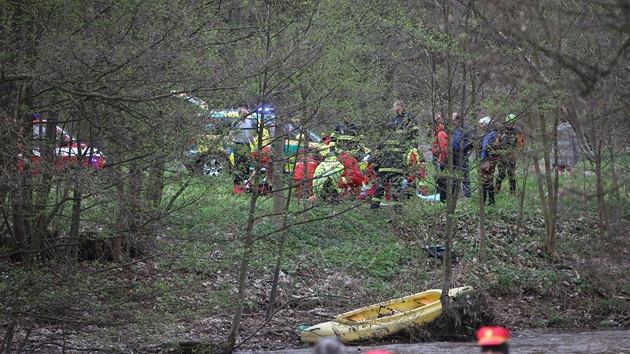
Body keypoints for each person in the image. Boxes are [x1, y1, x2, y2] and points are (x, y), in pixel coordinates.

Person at [495, 114, 524, 196]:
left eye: (512, 123)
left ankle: (512, 192)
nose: (511, 125)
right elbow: (496, 142)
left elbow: (521, 142)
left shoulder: (516, 131)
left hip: (511, 156)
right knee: (501, 173)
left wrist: (521, 150)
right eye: (509, 123)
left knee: (511, 174)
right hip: (501, 155)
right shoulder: (501, 130)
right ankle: (496, 190)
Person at [231, 106, 256, 194]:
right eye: (243, 113)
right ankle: (237, 183)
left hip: (247, 145)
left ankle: (246, 182)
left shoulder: (249, 122)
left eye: (246, 113)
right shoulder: (236, 123)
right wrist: (229, 147)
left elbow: (251, 135)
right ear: (239, 114)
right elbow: (231, 135)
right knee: (238, 164)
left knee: (246, 164)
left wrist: (254, 145)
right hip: (239, 145)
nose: (245, 115)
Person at [451, 112, 474, 198]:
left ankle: (467, 194)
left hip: (463, 154)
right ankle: (454, 194)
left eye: (454, 120)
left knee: (465, 174)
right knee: (453, 174)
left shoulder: (466, 128)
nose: (454, 122)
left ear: (458, 119)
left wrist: (465, 147)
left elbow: (472, 140)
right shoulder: (452, 128)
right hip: (453, 154)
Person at [479, 117, 500, 206]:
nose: (480, 126)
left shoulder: (491, 135)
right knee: (487, 180)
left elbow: (489, 148)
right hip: (485, 159)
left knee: (486, 180)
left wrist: (486, 160)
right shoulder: (486, 134)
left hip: (489, 160)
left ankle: (487, 201)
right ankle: (489, 201)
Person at [431, 118, 448, 202]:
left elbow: (443, 148)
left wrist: (441, 159)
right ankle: (442, 196)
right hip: (439, 158)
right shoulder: (437, 133)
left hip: (441, 160)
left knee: (442, 180)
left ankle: (443, 197)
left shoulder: (440, 134)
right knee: (441, 179)